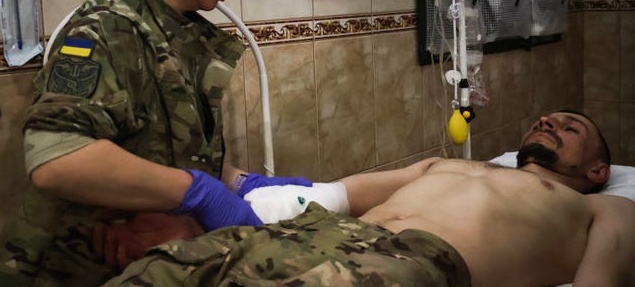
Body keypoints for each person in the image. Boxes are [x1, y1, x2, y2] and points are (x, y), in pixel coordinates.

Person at [0, 0, 312, 285]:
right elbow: (58, 159)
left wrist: (237, 182)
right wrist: (198, 192)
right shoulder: (104, 29)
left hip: (152, 264)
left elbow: (169, 153)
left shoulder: (183, 36)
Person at [88, 110, 634, 286]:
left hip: (411, 262)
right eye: (545, 119)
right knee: (164, 271)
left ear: (598, 169)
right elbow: (332, 194)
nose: (549, 122)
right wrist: (233, 185)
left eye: (569, 127)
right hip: (316, 233)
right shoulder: (450, 163)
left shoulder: (604, 208)